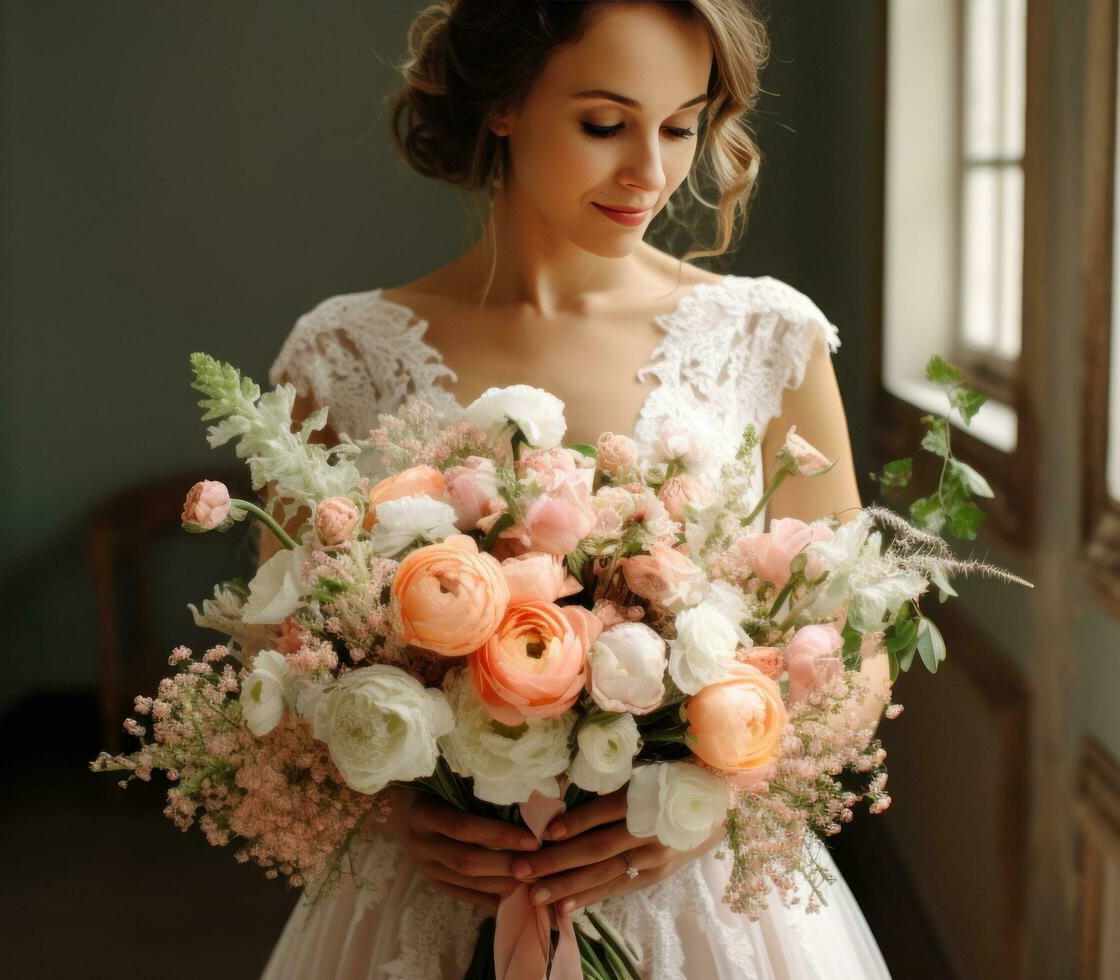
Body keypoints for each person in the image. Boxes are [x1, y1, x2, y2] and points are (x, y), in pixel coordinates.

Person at [257, 2, 893, 976]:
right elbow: (281, 660)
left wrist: (712, 799)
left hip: (704, 904)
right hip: (426, 903)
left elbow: (853, 654)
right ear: (504, 104)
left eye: (681, 126)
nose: (652, 172)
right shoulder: (340, 356)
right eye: (606, 123)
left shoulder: (769, 339)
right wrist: (394, 803)